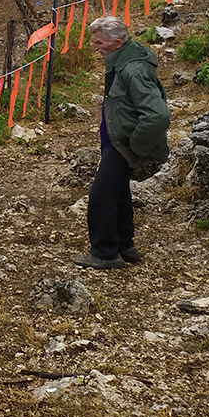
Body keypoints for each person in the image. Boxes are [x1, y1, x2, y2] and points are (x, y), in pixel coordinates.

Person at [77, 15, 171, 269]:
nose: (94, 47)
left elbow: (158, 115)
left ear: (117, 42)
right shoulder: (120, 62)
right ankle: (124, 245)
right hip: (115, 142)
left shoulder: (133, 69)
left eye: (98, 42)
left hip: (122, 145)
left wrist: (136, 146)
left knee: (101, 195)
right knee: (118, 192)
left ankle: (105, 253)